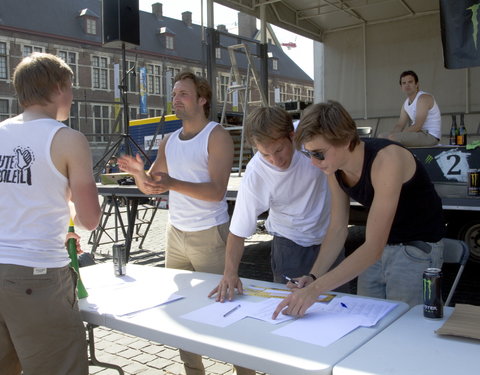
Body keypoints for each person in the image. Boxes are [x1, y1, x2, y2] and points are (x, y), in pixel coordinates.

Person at [118, 71, 254, 375]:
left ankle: (246, 371)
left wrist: (172, 183)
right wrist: (140, 174)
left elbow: (217, 191)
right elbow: (155, 184)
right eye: (174, 93)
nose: (175, 99)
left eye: (183, 94)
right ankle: (193, 371)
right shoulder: (169, 141)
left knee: (229, 309)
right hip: (175, 234)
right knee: (180, 308)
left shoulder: (216, 135)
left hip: (210, 236)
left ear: (202, 99)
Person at [272, 100, 445, 320]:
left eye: (319, 153)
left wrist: (314, 291)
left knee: (406, 327)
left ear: (344, 139)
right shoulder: (334, 168)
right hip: (381, 246)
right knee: (363, 319)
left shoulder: (386, 159)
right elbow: (337, 228)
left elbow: (373, 247)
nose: (314, 163)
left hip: (415, 247)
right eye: (309, 154)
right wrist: (313, 276)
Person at [0, 53, 101, 374]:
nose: (72, 96)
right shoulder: (68, 139)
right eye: (71, 87)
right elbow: (90, 219)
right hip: (38, 275)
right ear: (58, 88)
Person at [209, 106, 331, 302]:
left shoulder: (310, 138)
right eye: (265, 154)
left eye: (279, 149)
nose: (275, 160)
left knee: (338, 303)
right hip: (290, 244)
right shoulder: (256, 173)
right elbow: (238, 230)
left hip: (329, 238)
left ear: (292, 136)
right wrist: (230, 273)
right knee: (291, 307)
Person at [378, 70, 441, 147]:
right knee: (381, 137)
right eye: (404, 83)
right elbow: (400, 125)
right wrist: (392, 134)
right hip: (418, 133)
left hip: (430, 136)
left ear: (417, 84)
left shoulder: (423, 98)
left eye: (410, 82)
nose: (407, 85)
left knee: (394, 138)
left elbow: (418, 125)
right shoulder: (406, 104)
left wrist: (398, 135)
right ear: (401, 87)